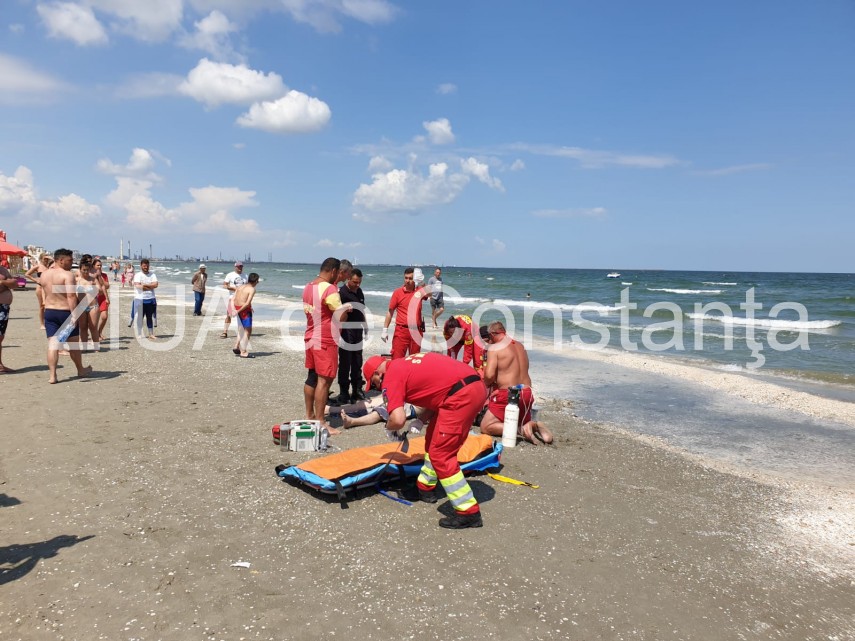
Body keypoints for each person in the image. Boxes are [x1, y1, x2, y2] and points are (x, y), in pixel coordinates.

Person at [363, 351, 487, 529]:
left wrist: (389, 429)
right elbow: (437, 393)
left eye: (374, 384)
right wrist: (421, 420)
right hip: (471, 388)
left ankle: (469, 512)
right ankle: (425, 488)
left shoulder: (391, 376)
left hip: (461, 396)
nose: (377, 387)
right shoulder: (405, 363)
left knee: (441, 455)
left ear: (377, 373)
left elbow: (397, 419)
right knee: (432, 441)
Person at [478, 321, 553, 445]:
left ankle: (522, 430)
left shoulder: (495, 348)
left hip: (509, 395)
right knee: (513, 419)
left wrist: (485, 386)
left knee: (486, 426)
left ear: (492, 334)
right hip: (527, 394)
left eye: (489, 338)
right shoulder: (520, 346)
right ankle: (532, 426)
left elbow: (489, 376)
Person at [303, 258, 351, 435]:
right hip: (325, 339)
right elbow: (340, 317)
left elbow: (311, 310)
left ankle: (310, 415)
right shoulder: (330, 289)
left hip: (310, 335)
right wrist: (345, 309)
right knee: (325, 380)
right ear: (333, 271)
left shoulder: (309, 286)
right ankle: (321, 421)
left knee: (312, 377)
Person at [41, 248, 92, 383]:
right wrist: (75, 315)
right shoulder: (67, 275)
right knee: (74, 344)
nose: (72, 262)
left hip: (50, 312)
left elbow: (44, 293)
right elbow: (70, 296)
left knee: (53, 345)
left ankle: (53, 376)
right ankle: (80, 370)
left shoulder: (44, 275)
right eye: (70, 260)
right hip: (65, 313)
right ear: (61, 260)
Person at [335, 268, 367, 404]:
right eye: (355, 282)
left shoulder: (359, 291)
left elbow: (362, 310)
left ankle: (357, 389)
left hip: (357, 330)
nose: (357, 285)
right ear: (349, 279)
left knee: (357, 360)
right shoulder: (341, 293)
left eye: (359, 282)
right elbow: (335, 314)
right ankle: (343, 392)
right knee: (345, 362)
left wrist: (365, 326)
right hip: (346, 331)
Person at [381, 267, 427, 359]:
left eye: (410, 278)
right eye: (406, 278)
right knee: (397, 359)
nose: (408, 280)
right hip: (401, 331)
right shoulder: (397, 293)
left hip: (416, 331)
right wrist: (385, 330)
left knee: (414, 361)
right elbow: (390, 312)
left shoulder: (419, 291)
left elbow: (430, 294)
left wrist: (422, 282)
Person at [75, 257, 105, 350]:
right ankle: (84, 347)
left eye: (87, 270)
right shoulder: (76, 280)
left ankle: (96, 347)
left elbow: (100, 291)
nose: (85, 272)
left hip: (93, 306)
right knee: (83, 328)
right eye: (84, 270)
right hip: (81, 306)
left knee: (93, 327)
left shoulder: (93, 279)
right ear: (80, 270)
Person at [232, 272, 258, 358]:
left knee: (241, 328)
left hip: (237, 307)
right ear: (256, 281)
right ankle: (243, 351)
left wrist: (234, 309)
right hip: (244, 310)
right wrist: (238, 311)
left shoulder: (240, 286)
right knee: (248, 330)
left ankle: (236, 346)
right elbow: (247, 303)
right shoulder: (252, 289)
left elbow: (233, 299)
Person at [25, 253, 53, 329]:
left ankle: (49, 323)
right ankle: (42, 324)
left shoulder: (50, 267)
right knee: (41, 306)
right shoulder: (38, 266)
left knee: (50, 306)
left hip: (48, 288)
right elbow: (27, 274)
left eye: (47, 259)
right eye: (45, 259)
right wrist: (36, 280)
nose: (46, 260)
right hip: (40, 287)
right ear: (41, 259)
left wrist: (50, 258)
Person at [132, 258, 158, 340]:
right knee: (140, 317)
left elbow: (156, 284)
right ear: (141, 266)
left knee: (150, 317)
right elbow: (138, 286)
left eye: (147, 266)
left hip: (151, 298)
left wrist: (145, 285)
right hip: (140, 299)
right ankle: (139, 333)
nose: (146, 267)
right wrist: (150, 285)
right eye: (144, 266)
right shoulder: (138, 275)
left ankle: (151, 334)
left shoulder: (152, 275)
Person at [221, 261, 247, 338]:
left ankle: (243, 331)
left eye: (241, 266)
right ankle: (225, 332)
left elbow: (249, 286)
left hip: (243, 299)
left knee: (243, 316)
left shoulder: (246, 276)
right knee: (229, 315)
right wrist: (233, 288)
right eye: (238, 266)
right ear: (235, 267)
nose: (240, 268)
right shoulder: (230, 275)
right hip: (232, 298)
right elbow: (225, 285)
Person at [0, 261, 16, 373]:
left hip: (4, 307)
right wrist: (6, 284)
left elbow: (15, 283)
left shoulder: (2, 269)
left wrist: (2, 282)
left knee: (0, 337)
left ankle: (0, 364)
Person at [92, 258, 110, 342]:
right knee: (94, 320)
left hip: (103, 298)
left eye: (100, 265)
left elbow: (107, 286)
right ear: (93, 266)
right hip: (93, 298)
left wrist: (100, 277)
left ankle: (99, 332)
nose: (99, 267)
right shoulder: (90, 275)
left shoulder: (104, 275)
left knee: (104, 317)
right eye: (97, 265)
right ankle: (95, 335)